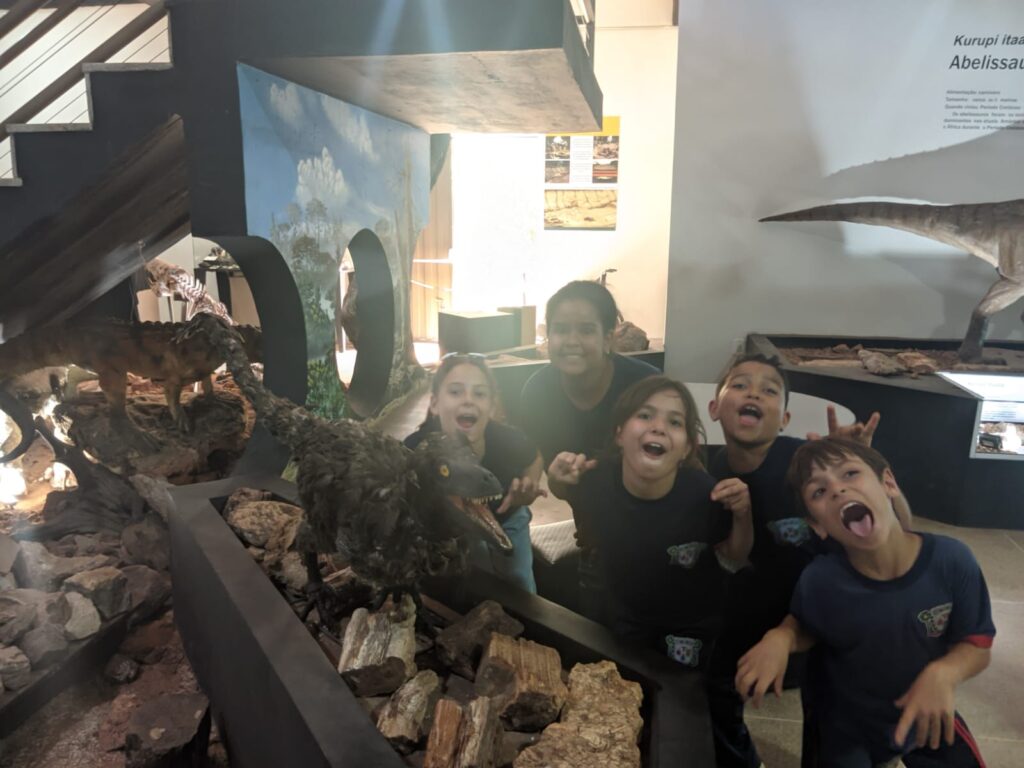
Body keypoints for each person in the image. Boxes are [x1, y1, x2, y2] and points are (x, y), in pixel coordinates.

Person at [736, 438, 994, 768]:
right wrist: (780, 638)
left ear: (889, 483)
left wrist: (945, 673)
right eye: (819, 491)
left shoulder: (952, 561)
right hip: (845, 725)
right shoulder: (821, 580)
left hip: (925, 712)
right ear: (818, 525)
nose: (838, 490)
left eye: (850, 473)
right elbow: (805, 624)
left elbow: (977, 645)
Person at [707, 352, 904, 768]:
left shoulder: (808, 467)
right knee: (712, 692)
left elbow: (900, 525)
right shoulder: (707, 469)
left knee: (835, 727)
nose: (753, 394)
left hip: (824, 616)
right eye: (740, 385)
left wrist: (865, 472)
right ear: (714, 407)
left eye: (768, 390)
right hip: (751, 616)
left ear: (784, 418)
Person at [548, 375, 755, 766]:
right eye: (645, 415)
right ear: (620, 433)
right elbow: (568, 490)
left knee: (693, 711)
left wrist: (743, 515)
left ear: (687, 447)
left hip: (691, 626)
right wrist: (557, 479)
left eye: (674, 421)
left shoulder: (705, 494)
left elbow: (734, 556)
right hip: (624, 614)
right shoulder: (597, 479)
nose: (659, 426)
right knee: (630, 702)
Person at [404, 353, 545, 593]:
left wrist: (528, 484)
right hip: (448, 526)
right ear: (435, 403)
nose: (468, 400)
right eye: (455, 392)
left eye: (479, 393)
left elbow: (534, 456)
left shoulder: (507, 439)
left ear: (492, 407)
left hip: (507, 517)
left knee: (519, 581)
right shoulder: (415, 448)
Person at [520, 279, 659, 495]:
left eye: (586, 330)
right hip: (589, 510)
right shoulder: (537, 393)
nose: (571, 341)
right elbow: (560, 488)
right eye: (561, 330)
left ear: (607, 339)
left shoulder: (647, 386)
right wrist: (558, 479)